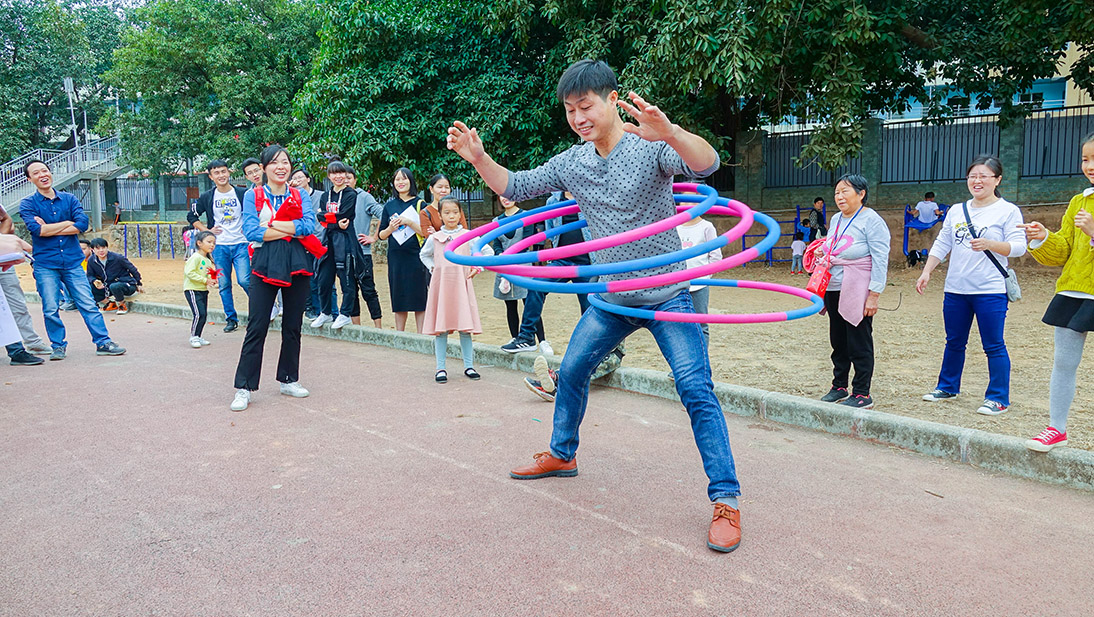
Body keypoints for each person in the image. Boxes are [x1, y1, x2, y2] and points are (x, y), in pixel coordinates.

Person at [448, 59, 742, 553]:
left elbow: (707, 164)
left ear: (611, 100)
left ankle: (726, 499)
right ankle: (563, 453)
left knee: (695, 388)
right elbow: (516, 186)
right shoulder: (572, 163)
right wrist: (478, 158)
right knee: (573, 368)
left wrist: (669, 131)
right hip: (611, 297)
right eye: (569, 110)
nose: (579, 117)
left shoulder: (649, 146)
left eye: (586, 106)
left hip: (669, 293)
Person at [915, 156, 1025, 416]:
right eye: (973, 176)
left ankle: (998, 398)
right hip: (956, 289)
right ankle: (947, 387)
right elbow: (943, 243)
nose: (977, 181)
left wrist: (990, 244)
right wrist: (927, 271)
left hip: (990, 290)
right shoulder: (956, 210)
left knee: (993, 344)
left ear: (997, 180)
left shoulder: (1008, 211)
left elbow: (1019, 247)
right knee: (954, 341)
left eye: (984, 176)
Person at [1020, 133, 1094, 451]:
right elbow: (1063, 250)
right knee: (1063, 362)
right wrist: (1043, 237)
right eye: (1085, 158)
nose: (1089, 166)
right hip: (1076, 290)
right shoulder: (1079, 201)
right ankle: (1057, 428)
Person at [230, 145, 316, 412]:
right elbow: (251, 231)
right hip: (264, 265)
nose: (282, 167)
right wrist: (290, 230)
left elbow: (309, 226)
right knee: (257, 326)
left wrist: (273, 226)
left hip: (297, 264)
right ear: (264, 168)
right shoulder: (252, 195)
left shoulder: (299, 194)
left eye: (286, 162)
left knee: (293, 325)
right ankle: (244, 387)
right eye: (275, 163)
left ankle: (289, 379)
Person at [17, 159, 126, 359]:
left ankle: (103, 342)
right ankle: (58, 346)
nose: (42, 175)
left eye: (45, 170)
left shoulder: (69, 199)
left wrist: (52, 226)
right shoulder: (28, 204)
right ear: (29, 179)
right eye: (36, 173)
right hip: (45, 264)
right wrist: (67, 223)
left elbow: (83, 224)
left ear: (50, 173)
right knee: (50, 307)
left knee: (87, 304)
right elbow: (37, 230)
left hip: (72, 262)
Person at [816, 174, 890, 409]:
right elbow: (834, 244)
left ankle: (861, 392)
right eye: (837, 192)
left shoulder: (872, 220)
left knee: (859, 340)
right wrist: (822, 252)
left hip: (858, 287)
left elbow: (880, 259)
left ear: (861, 193)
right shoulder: (837, 218)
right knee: (838, 340)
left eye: (845, 191)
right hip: (834, 285)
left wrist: (874, 294)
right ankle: (839, 386)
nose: (839, 196)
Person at [499, 190, 591, 356]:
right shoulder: (553, 201)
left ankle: (592, 348)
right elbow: (550, 230)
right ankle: (526, 337)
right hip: (561, 260)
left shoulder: (590, 194)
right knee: (536, 285)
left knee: (590, 307)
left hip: (588, 262)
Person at [419, 197, 484, 382]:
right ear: (439, 215)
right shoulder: (435, 238)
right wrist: (434, 268)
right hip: (442, 287)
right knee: (441, 328)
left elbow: (486, 252)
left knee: (465, 327)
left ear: (460, 213)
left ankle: (469, 366)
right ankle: (440, 368)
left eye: (455, 212)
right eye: (446, 212)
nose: (451, 216)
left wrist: (477, 267)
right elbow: (424, 254)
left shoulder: (468, 236)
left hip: (461, 286)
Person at [188, 160, 250, 333]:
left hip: (241, 244)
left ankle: (259, 313)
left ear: (229, 172)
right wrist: (207, 231)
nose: (221, 175)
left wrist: (249, 225)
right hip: (219, 246)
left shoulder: (242, 193)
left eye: (223, 171)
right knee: (223, 283)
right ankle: (231, 318)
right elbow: (191, 216)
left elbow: (254, 212)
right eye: (217, 173)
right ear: (211, 176)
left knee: (245, 280)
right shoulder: (207, 197)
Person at [377, 167, 428, 332]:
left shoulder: (421, 204)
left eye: (404, 179)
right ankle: (400, 334)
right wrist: (391, 228)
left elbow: (426, 232)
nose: (400, 182)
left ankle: (422, 336)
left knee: (420, 297)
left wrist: (409, 222)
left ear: (411, 181)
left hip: (416, 256)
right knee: (399, 296)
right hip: (396, 257)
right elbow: (381, 235)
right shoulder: (389, 206)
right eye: (397, 179)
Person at [311, 159, 359, 330]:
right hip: (328, 241)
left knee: (346, 278)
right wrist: (335, 223)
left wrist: (329, 219)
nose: (338, 176)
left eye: (341, 173)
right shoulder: (325, 196)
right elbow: (320, 217)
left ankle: (345, 314)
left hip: (345, 241)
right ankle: (326, 312)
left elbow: (345, 215)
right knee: (323, 279)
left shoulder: (350, 194)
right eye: (334, 173)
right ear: (329, 176)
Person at [490, 196, 545, 344]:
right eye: (502, 196)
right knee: (510, 305)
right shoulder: (496, 221)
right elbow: (497, 244)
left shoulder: (525, 215)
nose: (505, 199)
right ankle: (515, 338)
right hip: (504, 266)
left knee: (530, 302)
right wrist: (499, 254)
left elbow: (526, 243)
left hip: (522, 265)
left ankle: (542, 341)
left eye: (508, 195)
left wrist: (508, 257)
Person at [0, 208, 47, 365]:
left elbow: (6, 220)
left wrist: (2, 243)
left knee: (15, 304)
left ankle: (23, 347)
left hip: (3, 262)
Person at [290, 168, 335, 321]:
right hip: (302, 243)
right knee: (309, 280)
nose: (298, 180)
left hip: (321, 243)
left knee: (326, 280)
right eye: (294, 178)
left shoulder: (321, 196)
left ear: (308, 179)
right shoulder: (291, 197)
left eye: (301, 177)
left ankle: (331, 312)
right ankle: (312, 310)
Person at [348, 167, 384, 328]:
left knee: (368, 290)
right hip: (344, 253)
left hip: (363, 253)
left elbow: (384, 213)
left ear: (355, 180)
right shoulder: (337, 198)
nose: (346, 180)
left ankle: (379, 328)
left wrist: (374, 237)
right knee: (350, 292)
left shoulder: (364, 197)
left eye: (349, 177)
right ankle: (357, 328)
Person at [86, 237, 143, 314]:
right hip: (108, 285)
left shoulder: (118, 258)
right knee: (89, 286)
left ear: (107, 248)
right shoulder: (92, 260)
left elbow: (132, 269)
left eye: (103, 248)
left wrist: (139, 283)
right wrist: (94, 281)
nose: (101, 251)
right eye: (98, 249)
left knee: (115, 286)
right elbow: (89, 275)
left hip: (125, 283)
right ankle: (109, 304)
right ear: (92, 250)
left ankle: (122, 305)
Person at [184, 231, 218, 348]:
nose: (212, 245)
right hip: (192, 290)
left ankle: (198, 336)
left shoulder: (208, 260)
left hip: (203, 290)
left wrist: (212, 280)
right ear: (199, 243)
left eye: (214, 243)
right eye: (209, 242)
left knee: (203, 315)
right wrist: (205, 280)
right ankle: (193, 337)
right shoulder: (195, 257)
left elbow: (208, 274)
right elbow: (189, 272)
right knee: (199, 314)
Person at [418, 173, 467, 239]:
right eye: (439, 187)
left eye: (447, 187)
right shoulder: (425, 213)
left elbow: (464, 234)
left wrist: (436, 234)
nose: (443, 190)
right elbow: (429, 237)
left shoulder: (457, 209)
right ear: (431, 189)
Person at [907, 191, 943, 266]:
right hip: (931, 221)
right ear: (932, 198)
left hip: (921, 220)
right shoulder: (934, 204)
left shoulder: (920, 203)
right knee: (940, 214)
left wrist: (908, 211)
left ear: (925, 198)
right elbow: (937, 213)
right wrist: (942, 212)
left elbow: (913, 213)